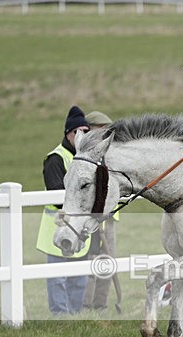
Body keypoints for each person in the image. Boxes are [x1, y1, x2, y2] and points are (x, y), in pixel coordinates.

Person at [36, 105, 91, 316]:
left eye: (87, 132)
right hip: (57, 227)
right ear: (69, 133)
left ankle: (74, 315)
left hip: (78, 228)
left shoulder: (84, 159)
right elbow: (57, 195)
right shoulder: (55, 159)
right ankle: (60, 315)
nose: (83, 136)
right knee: (58, 277)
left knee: (79, 276)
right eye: (79, 131)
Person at [82, 110, 119, 311]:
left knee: (107, 263)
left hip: (108, 218)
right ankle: (85, 306)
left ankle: (101, 306)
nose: (105, 135)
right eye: (100, 130)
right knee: (90, 264)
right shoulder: (83, 156)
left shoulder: (110, 156)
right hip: (87, 218)